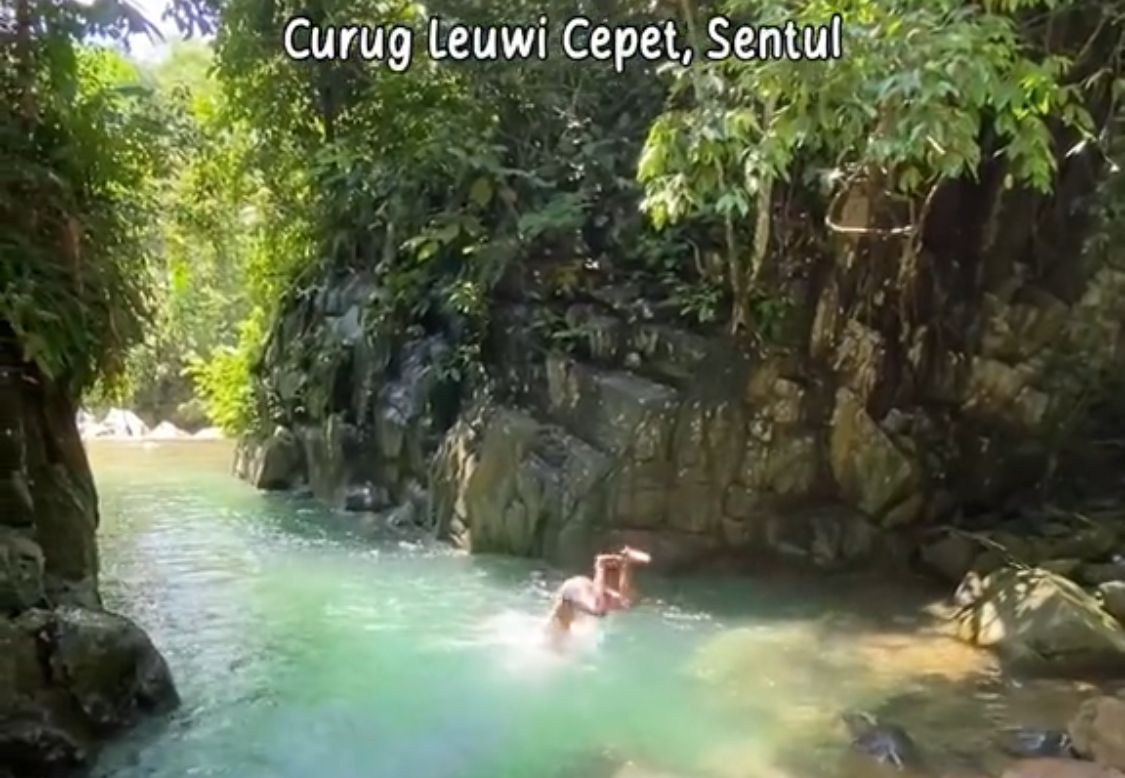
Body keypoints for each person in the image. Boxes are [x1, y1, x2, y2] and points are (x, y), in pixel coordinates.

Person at [545, 546, 651, 641]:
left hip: (577, 592)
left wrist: (625, 566)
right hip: (575, 590)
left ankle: (617, 563)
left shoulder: (554, 636)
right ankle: (605, 563)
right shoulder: (554, 636)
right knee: (600, 608)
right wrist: (601, 566)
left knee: (617, 604)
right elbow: (599, 608)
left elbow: (622, 602)